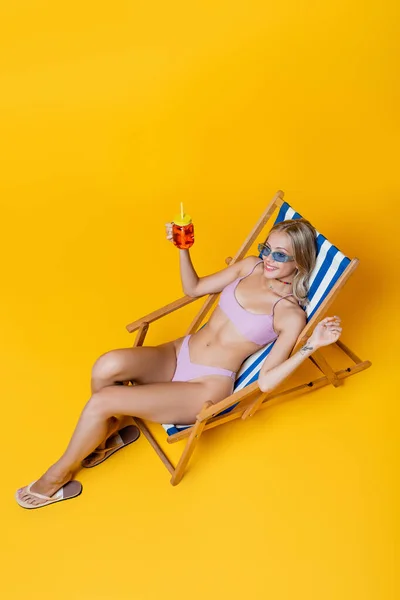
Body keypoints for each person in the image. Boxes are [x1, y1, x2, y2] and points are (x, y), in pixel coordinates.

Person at [16, 217, 342, 508]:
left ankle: (55, 477)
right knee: (105, 366)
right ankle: (104, 438)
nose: (268, 259)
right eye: (267, 248)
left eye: (280, 255)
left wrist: (310, 346)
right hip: (179, 353)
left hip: (204, 386)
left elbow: (267, 382)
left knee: (103, 400)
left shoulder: (289, 313)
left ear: (299, 261)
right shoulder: (249, 267)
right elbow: (194, 288)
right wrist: (182, 248)